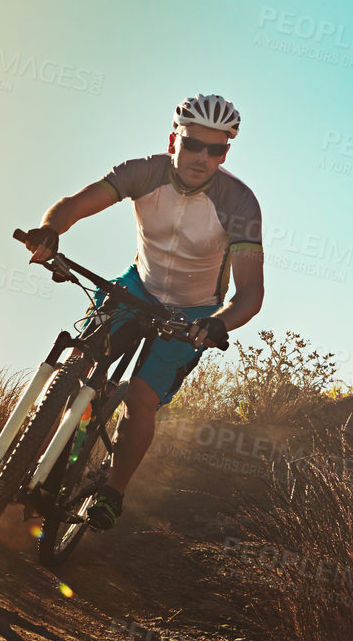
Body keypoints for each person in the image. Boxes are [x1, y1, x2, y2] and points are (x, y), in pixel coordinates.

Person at [18, 94, 264, 531]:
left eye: (217, 149)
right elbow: (73, 204)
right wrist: (50, 230)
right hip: (138, 286)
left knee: (141, 398)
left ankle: (114, 490)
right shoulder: (143, 172)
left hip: (195, 312)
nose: (202, 157)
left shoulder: (240, 203)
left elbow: (250, 292)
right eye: (193, 144)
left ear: (227, 151)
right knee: (81, 360)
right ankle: (40, 453)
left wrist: (219, 322)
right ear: (174, 139)